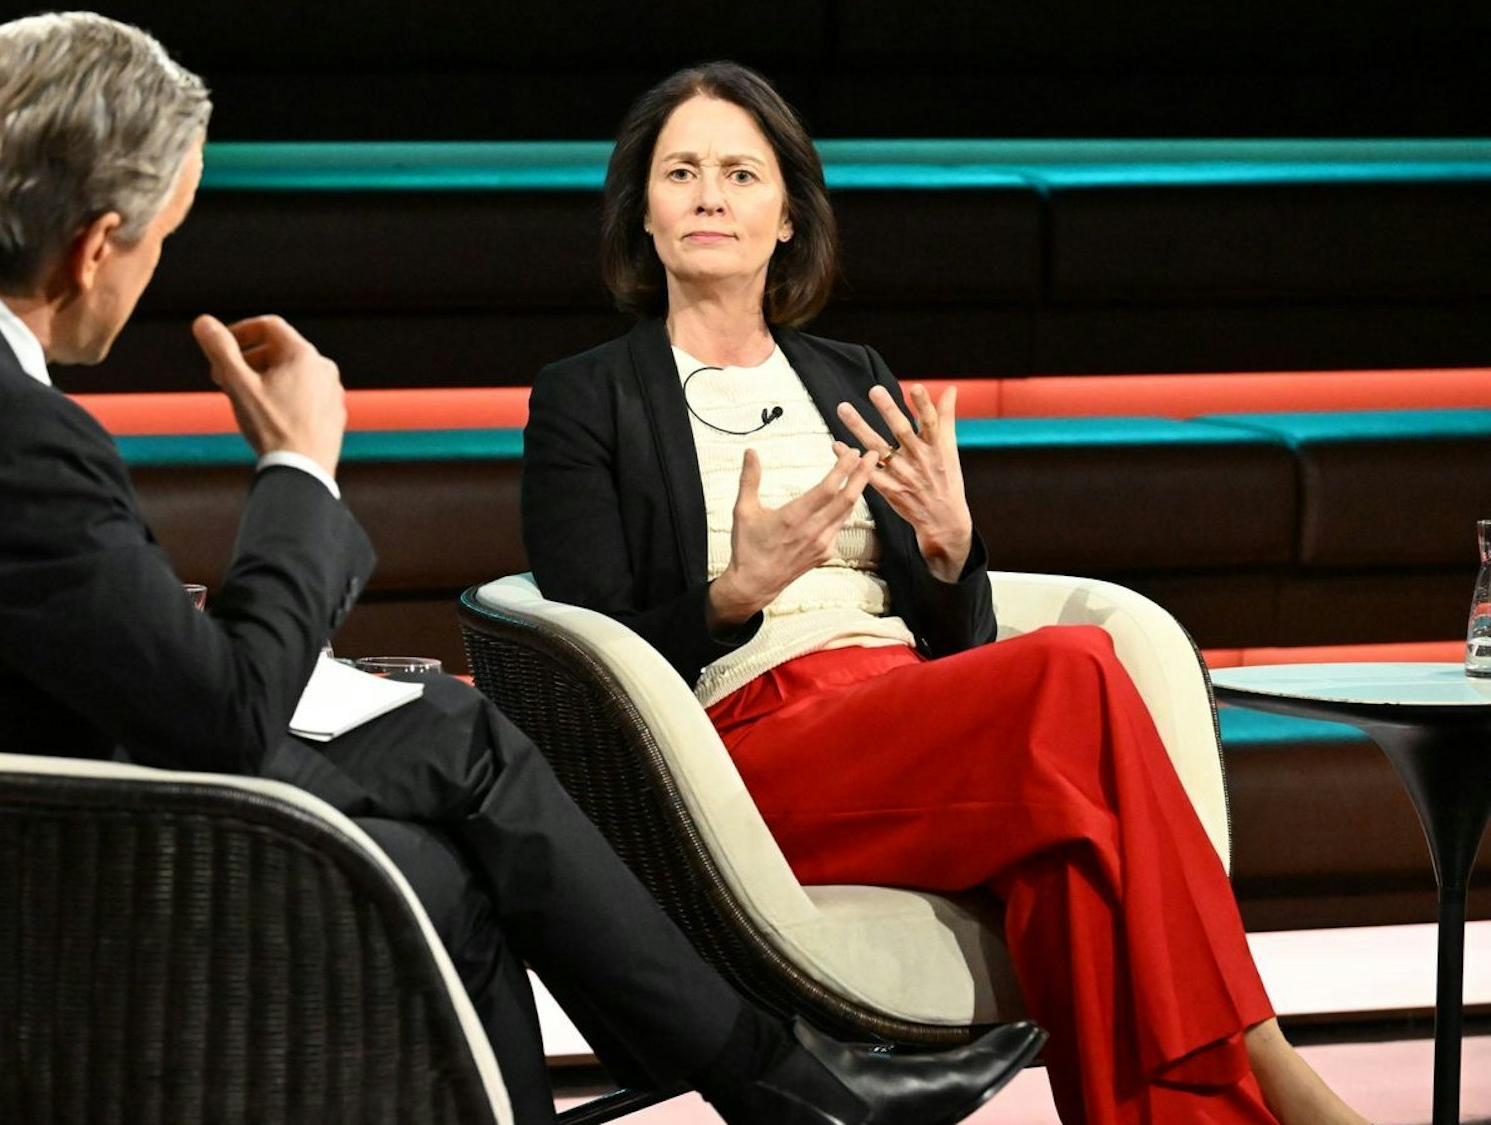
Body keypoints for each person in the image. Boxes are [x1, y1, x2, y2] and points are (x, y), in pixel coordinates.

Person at [0, 15, 1042, 1125]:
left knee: (447, 783)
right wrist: (299, 470)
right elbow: (209, 718)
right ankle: (783, 1088)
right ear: (97, 244)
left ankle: (769, 1085)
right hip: (35, 891)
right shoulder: (3, 425)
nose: (151, 276)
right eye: (160, 240)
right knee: (462, 773)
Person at [520, 62, 1371, 1125]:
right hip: (736, 744)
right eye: (679, 172)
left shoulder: (845, 375)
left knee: (1073, 866)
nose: (708, 197)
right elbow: (585, 644)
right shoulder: (584, 397)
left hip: (904, 711)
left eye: (740, 173)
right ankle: (1263, 1052)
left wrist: (948, 548)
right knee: (1073, 666)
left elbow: (955, 641)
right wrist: (731, 594)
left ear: (787, 215)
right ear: (639, 213)